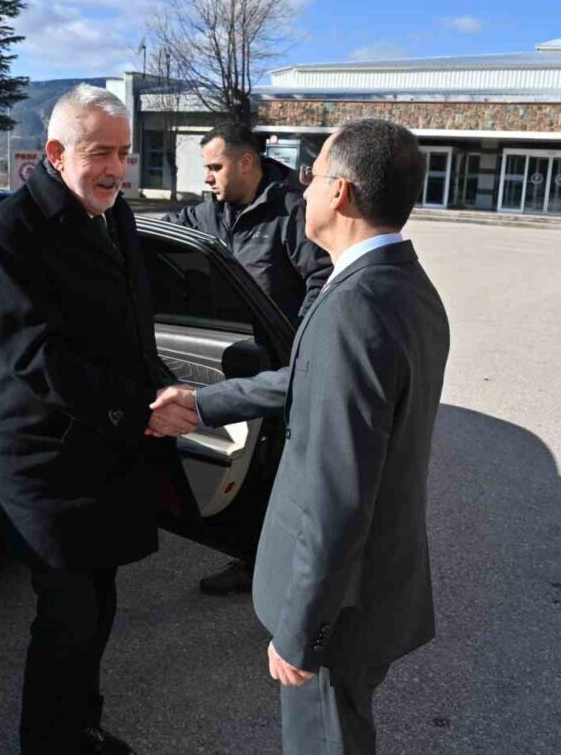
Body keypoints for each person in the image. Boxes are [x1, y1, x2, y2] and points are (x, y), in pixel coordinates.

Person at [150, 118, 451, 754]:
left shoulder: (356, 308)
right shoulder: (401, 283)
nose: (300, 189)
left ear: (339, 193)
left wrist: (302, 631)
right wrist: (204, 403)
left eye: (310, 178)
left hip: (341, 606)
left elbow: (338, 496)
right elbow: (307, 379)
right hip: (371, 583)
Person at [0, 84, 196, 755]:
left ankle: (79, 727)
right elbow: (39, 357)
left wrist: (161, 386)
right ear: (56, 152)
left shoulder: (113, 215)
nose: (115, 169)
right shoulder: (6, 234)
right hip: (46, 461)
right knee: (67, 615)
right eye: (100, 153)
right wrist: (140, 411)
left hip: (108, 448)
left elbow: (130, 332)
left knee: (99, 601)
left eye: (123, 153)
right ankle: (49, 742)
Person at [163, 122, 332, 596]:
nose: (208, 177)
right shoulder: (211, 213)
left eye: (215, 167)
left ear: (246, 162)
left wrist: (299, 344)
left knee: (279, 471)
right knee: (246, 464)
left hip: (282, 365)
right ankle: (253, 556)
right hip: (237, 358)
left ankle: (278, 571)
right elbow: (166, 231)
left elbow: (321, 278)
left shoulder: (291, 210)